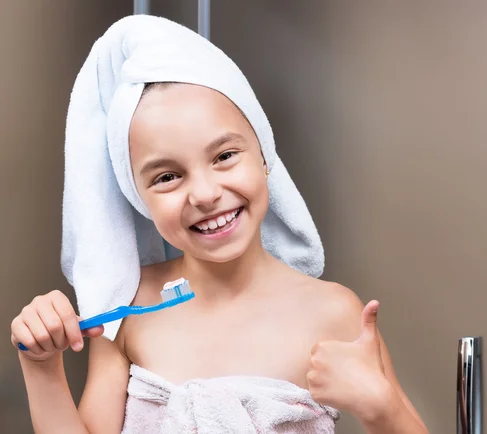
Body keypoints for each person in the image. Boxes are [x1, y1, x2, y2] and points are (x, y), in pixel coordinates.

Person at [10, 15, 428, 434]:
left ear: (264, 158)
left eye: (225, 156)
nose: (206, 194)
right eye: (167, 177)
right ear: (139, 199)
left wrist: (381, 407)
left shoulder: (333, 313)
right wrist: (41, 366)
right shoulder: (128, 308)